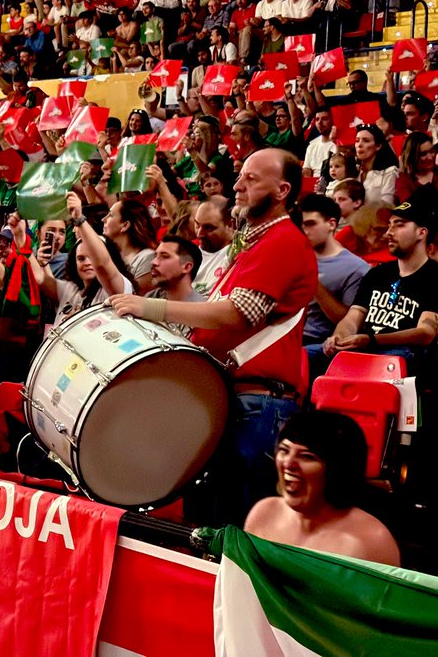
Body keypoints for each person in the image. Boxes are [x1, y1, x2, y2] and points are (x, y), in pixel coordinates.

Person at [110, 149, 318, 523]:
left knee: (234, 527)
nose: (237, 185)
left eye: (251, 179)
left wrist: (152, 308)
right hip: (234, 399)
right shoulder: (257, 243)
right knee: (210, 522)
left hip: (255, 403)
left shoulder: (283, 240)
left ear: (283, 190)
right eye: (240, 176)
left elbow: (239, 313)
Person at [323, 188, 438, 370]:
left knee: (393, 358)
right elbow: (352, 319)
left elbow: (425, 333)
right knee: (307, 354)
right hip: (364, 349)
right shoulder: (377, 274)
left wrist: (371, 340)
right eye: (389, 225)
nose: (389, 232)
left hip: (404, 357)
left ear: (421, 233)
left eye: (399, 225)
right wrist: (339, 338)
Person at [244, 411, 400, 566]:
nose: (288, 463)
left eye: (307, 456)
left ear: (337, 470)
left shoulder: (373, 541)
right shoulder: (263, 514)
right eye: (284, 450)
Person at [299, 194, 369, 378]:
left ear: (331, 224)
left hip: (318, 342)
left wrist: (312, 280)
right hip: (285, 335)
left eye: (310, 224)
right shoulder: (294, 255)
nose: (304, 230)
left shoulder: (356, 268)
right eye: (301, 225)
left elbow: (347, 320)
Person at [145, 234, 205, 335]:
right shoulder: (152, 296)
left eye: (164, 256)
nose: (154, 262)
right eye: (156, 256)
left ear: (186, 267)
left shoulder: (201, 312)